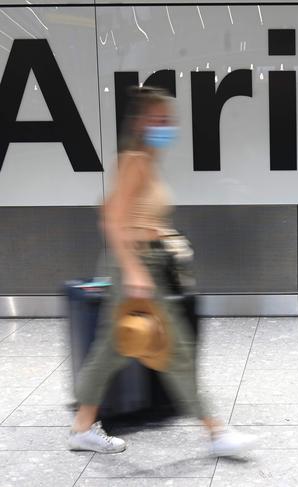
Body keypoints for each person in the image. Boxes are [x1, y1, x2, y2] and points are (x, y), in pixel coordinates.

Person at [68, 87, 255, 455]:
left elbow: (114, 206)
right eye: (157, 119)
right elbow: (111, 218)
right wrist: (135, 269)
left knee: (112, 348)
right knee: (176, 349)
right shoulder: (135, 160)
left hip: (143, 261)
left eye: (168, 120)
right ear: (140, 122)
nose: (165, 125)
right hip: (135, 266)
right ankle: (216, 433)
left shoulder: (144, 162)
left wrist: (160, 233)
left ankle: (81, 428)